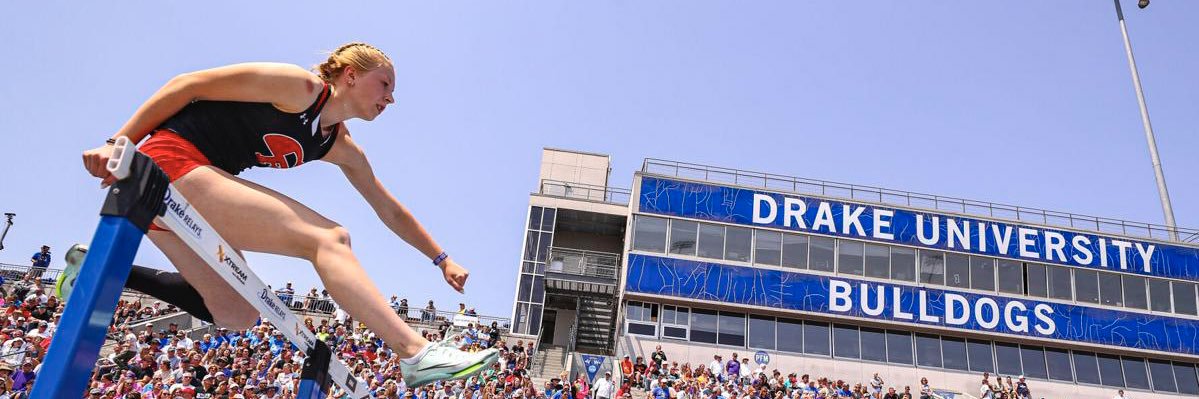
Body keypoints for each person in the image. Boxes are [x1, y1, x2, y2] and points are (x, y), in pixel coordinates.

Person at [79, 42, 497, 386]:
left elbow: (388, 208)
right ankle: (414, 352)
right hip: (170, 162)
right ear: (350, 75)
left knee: (237, 312)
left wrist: (441, 259)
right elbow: (187, 85)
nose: (390, 97)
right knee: (329, 239)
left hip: (194, 189)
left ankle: (92, 268)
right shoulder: (299, 87)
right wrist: (118, 143)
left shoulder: (339, 146)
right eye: (384, 83)